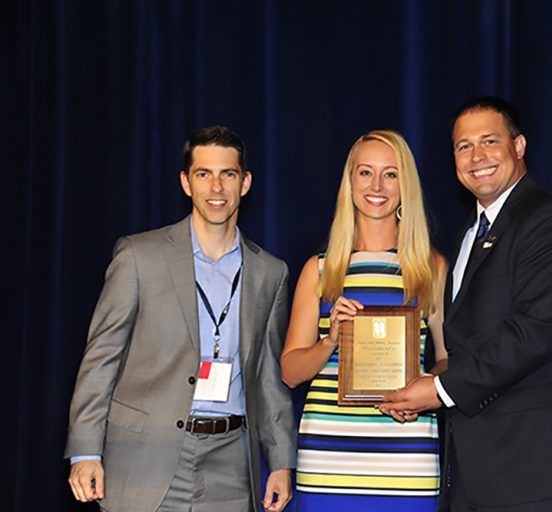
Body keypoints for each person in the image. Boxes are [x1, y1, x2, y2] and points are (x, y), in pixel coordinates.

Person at [379, 97, 552, 511]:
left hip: (538, 473)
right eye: (464, 146)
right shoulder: (473, 232)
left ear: (519, 146)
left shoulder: (551, 221)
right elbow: (468, 344)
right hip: (479, 475)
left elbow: (535, 331)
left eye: (489, 141)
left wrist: (439, 390)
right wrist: (423, 384)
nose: (477, 157)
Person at [65, 126, 296, 512]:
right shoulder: (139, 256)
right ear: (186, 183)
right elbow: (101, 359)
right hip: (143, 459)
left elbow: (268, 378)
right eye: (204, 174)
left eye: (228, 174)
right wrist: (85, 451)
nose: (216, 188)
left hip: (231, 465)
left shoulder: (270, 273)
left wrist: (280, 461)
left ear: (245, 183)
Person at [281, 130, 448, 512]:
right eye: (365, 173)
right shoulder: (320, 270)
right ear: (350, 181)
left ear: (406, 186)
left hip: (407, 461)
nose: (377, 186)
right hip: (327, 461)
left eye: (390, 174)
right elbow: (290, 373)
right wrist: (330, 341)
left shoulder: (431, 269)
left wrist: (426, 393)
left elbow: (447, 361)